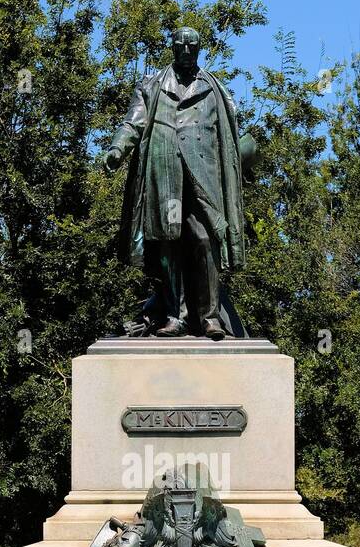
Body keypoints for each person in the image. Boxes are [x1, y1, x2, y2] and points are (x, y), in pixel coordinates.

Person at [105, 26, 255, 339]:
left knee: (204, 239)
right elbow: (133, 122)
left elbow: (230, 137)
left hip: (203, 177)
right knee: (167, 245)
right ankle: (175, 316)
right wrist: (118, 148)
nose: (186, 50)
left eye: (192, 45)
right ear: (172, 47)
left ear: (200, 48)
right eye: (180, 45)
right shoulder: (152, 85)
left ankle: (209, 317)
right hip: (165, 173)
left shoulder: (215, 89)